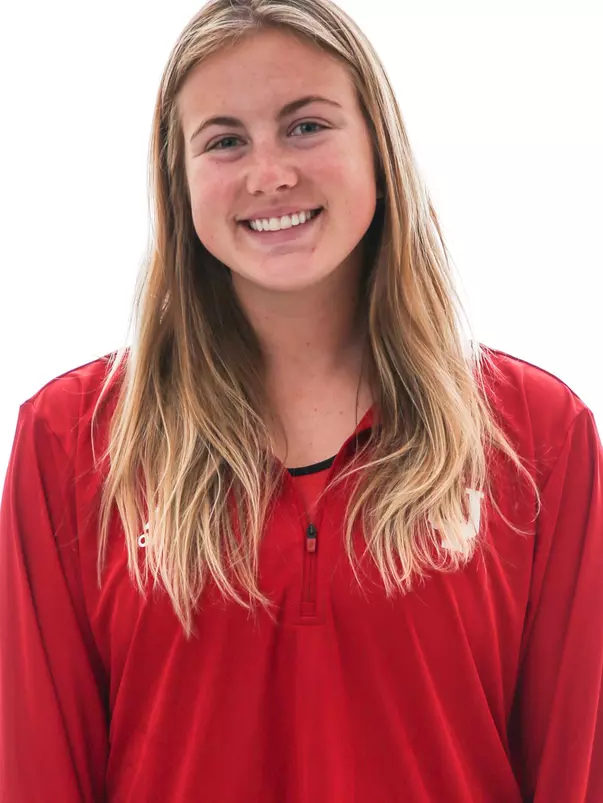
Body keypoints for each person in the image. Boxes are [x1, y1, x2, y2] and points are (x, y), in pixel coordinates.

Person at [1, 0, 601, 800]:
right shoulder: (70, 440)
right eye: (224, 140)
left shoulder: (538, 433)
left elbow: (576, 769)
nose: (269, 173)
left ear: (377, 145)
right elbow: (36, 770)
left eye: (306, 125)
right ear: (178, 180)